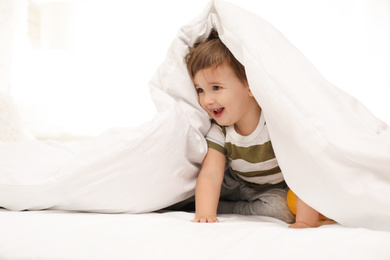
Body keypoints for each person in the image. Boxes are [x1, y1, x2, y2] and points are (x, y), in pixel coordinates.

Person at [185, 30, 320, 228]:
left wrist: (305, 222)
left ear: (250, 86)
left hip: (270, 189)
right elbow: (211, 173)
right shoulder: (219, 130)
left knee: (280, 210)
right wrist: (205, 214)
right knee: (198, 188)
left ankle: (228, 208)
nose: (207, 100)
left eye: (216, 87)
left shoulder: (274, 123)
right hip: (236, 183)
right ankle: (192, 204)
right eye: (200, 90)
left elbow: (303, 167)